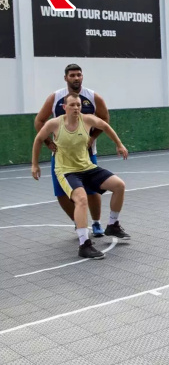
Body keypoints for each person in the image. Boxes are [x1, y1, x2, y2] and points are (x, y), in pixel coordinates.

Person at [32, 93, 130, 259]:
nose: (76, 108)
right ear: (64, 107)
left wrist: (119, 144)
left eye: (78, 105)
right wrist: (34, 164)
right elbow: (38, 139)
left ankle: (113, 224)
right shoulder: (55, 124)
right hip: (66, 171)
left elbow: (105, 126)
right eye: (72, 105)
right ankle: (84, 245)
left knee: (119, 185)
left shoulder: (87, 119)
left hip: (87, 167)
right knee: (82, 199)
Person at [35, 64, 110, 237]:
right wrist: (47, 142)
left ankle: (97, 223)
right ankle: (79, 223)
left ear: (82, 77)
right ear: (66, 78)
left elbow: (105, 119)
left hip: (87, 154)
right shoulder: (55, 98)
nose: (76, 78)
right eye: (72, 75)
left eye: (79, 75)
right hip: (61, 155)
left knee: (92, 190)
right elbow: (39, 121)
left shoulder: (92, 96)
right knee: (61, 194)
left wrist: (92, 138)